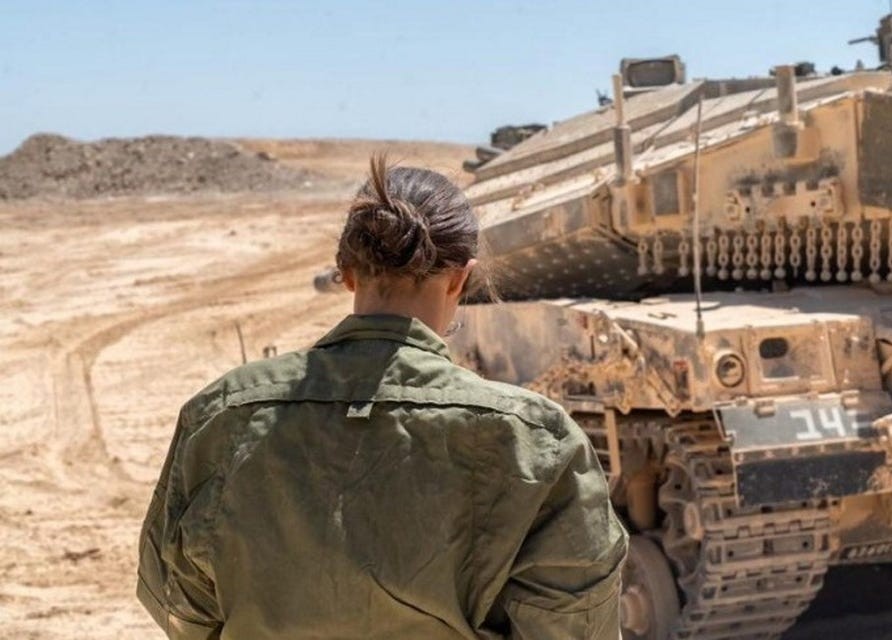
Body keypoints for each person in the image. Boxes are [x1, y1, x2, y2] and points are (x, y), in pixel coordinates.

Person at [136, 157, 627, 639]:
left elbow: (179, 604)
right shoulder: (536, 439)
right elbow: (574, 624)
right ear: (461, 278)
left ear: (346, 273)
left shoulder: (221, 414)